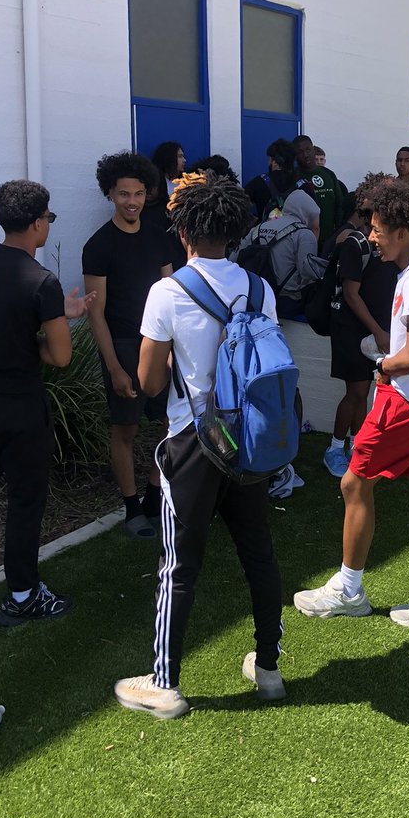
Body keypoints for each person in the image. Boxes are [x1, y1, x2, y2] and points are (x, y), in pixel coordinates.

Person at [114, 175, 286, 719]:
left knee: (178, 566)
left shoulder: (168, 292)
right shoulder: (261, 290)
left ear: (182, 229)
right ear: (236, 230)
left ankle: (164, 683)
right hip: (251, 440)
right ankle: (269, 668)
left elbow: (149, 383)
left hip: (192, 441)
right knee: (258, 551)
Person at [294, 181, 409, 630]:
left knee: (353, 484)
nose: (372, 237)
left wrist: (382, 365)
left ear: (403, 232)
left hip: (406, 400)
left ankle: (349, 590)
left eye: (378, 230)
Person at [0, 180, 92, 624]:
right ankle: (24, 594)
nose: (48, 224)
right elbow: (61, 356)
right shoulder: (42, 280)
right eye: (48, 218)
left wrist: (56, 315)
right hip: (19, 405)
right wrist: (62, 320)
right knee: (26, 498)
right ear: (35, 222)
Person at [83, 152, 173, 538]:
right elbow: (95, 313)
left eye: (138, 193)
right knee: (126, 429)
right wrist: (115, 367)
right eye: (123, 194)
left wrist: (173, 350)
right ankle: (131, 506)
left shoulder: (159, 237)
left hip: (159, 343)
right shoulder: (98, 245)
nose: (132, 201)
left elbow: (172, 297)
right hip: (121, 343)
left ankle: (155, 492)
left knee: (170, 422)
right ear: (110, 194)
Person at [324, 184, 398, 477]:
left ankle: (355, 445)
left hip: (373, 330)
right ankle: (333, 449)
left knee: (364, 392)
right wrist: (378, 332)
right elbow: (352, 295)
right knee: (355, 393)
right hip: (352, 330)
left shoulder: (387, 245)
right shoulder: (356, 245)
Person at [252, 187, 323, 318]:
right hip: (286, 301)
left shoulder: (259, 228)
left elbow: (236, 256)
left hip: (257, 296)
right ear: (308, 213)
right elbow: (308, 272)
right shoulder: (304, 234)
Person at [293, 134, 345, 245]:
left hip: (330, 239)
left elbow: (340, 205)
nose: (305, 155)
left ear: (313, 149)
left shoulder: (328, 174)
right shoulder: (293, 178)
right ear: (295, 155)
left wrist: (339, 232)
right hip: (304, 242)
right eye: (300, 152)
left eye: (308, 150)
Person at [242, 137, 298, 221]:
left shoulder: (259, 182)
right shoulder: (302, 183)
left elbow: (238, 203)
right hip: (296, 232)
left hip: (267, 232)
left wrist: (253, 220)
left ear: (274, 162)